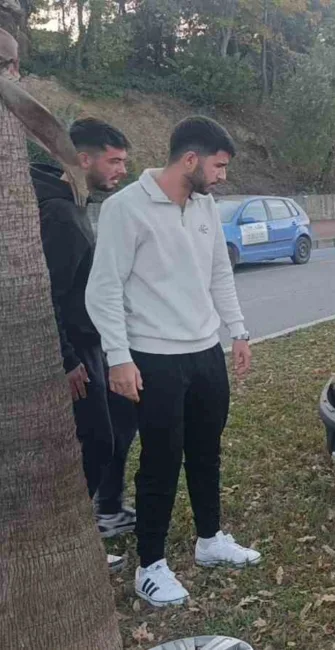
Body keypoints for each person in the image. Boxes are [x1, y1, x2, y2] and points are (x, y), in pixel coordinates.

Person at [85, 115, 259, 608]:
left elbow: (220, 274)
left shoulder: (205, 206)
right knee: (161, 462)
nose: (223, 175)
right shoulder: (126, 208)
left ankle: (210, 540)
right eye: (219, 166)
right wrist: (119, 358)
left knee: (206, 451)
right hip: (154, 357)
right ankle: (150, 565)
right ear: (190, 159)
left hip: (206, 354)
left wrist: (238, 331)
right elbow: (103, 290)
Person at [32, 117, 138, 573]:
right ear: (83, 159)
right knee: (95, 443)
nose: (120, 171)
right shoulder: (58, 212)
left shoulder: (69, 201)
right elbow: (46, 293)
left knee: (109, 433)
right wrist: (69, 360)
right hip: (75, 350)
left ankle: (95, 521)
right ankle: (71, 539)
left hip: (87, 343)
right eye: (113, 161)